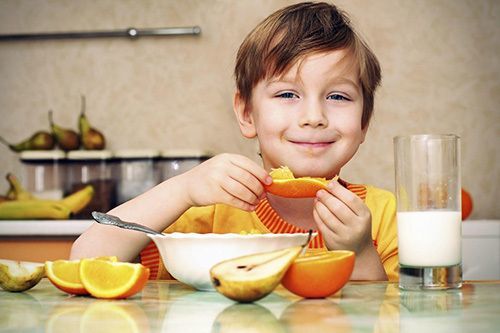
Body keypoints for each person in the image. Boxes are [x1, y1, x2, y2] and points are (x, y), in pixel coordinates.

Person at [71, 1, 398, 281]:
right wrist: (182, 189)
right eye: (287, 94)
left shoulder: (386, 215)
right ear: (246, 114)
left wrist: (358, 252)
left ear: (364, 121)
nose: (314, 116)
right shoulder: (210, 214)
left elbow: (400, 315)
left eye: (338, 96)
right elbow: (86, 261)